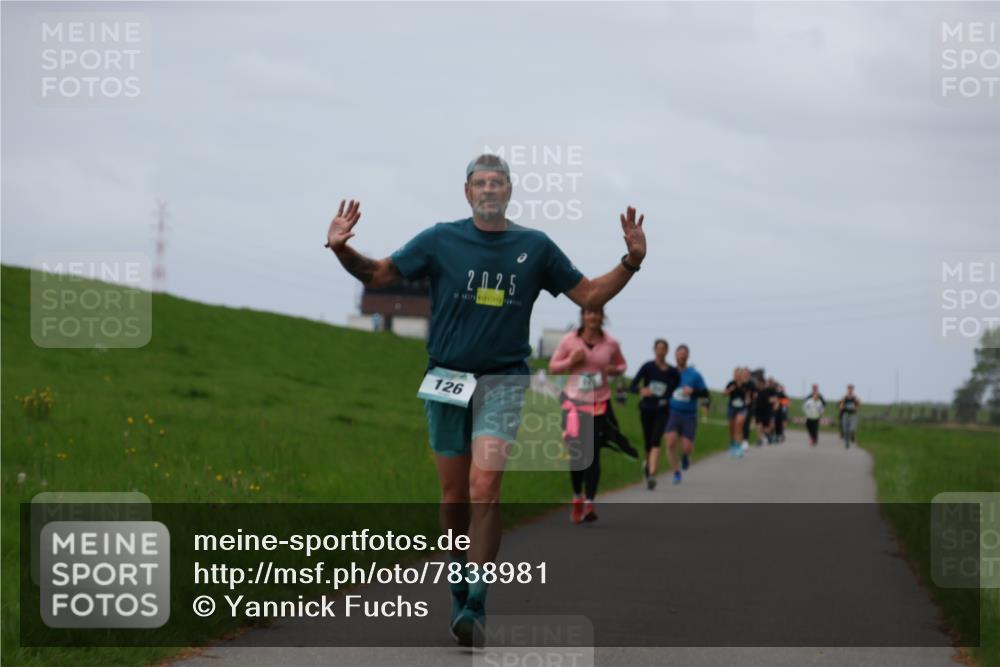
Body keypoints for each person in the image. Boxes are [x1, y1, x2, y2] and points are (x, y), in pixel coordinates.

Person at [324, 154, 647, 647]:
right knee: (454, 496)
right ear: (468, 192)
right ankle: (457, 577)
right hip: (447, 379)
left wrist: (631, 261)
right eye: (481, 182)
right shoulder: (440, 239)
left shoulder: (534, 246)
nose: (489, 189)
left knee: (485, 487)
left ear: (510, 191)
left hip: (504, 381)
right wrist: (342, 250)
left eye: (498, 182)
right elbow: (380, 274)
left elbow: (589, 296)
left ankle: (476, 596)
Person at [549, 306, 634, 522]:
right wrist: (571, 362)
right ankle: (577, 497)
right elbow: (553, 367)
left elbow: (622, 364)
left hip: (599, 404)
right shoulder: (570, 340)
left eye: (597, 312)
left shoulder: (610, 343)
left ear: (602, 316)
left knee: (593, 454)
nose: (593, 316)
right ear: (583, 316)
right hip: (573, 405)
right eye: (589, 312)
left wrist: (615, 370)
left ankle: (589, 503)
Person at [629, 339, 680, 490]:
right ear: (654, 350)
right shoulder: (647, 367)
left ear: (667, 351)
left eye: (663, 348)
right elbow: (632, 385)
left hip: (662, 410)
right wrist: (640, 391)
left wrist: (667, 395)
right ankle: (648, 464)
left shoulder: (672, 371)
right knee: (648, 443)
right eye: (658, 348)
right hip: (646, 408)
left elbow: (675, 386)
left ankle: (652, 475)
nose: (660, 351)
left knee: (656, 440)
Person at [663, 344, 708, 484]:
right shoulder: (669, 372)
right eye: (679, 354)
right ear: (675, 356)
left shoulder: (695, 375)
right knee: (670, 443)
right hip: (672, 412)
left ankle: (686, 457)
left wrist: (693, 391)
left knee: (687, 447)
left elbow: (705, 393)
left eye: (684, 354)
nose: (681, 356)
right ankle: (676, 472)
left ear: (687, 357)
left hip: (689, 415)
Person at [724, 367, 751, 458]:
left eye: (739, 374)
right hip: (732, 408)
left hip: (742, 408)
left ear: (741, 375)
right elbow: (724, 394)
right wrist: (729, 390)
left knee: (738, 425)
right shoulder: (731, 383)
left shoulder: (745, 385)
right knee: (732, 428)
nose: (737, 375)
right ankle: (732, 446)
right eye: (735, 374)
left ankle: (739, 448)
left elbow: (748, 397)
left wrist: (747, 400)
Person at [753, 377, 777, 445]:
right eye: (759, 384)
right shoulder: (756, 390)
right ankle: (759, 439)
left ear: (764, 383)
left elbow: (775, 399)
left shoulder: (769, 390)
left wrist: (771, 400)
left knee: (766, 427)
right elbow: (753, 397)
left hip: (767, 410)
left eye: (761, 383)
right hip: (758, 410)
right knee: (758, 425)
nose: (760, 385)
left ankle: (766, 436)